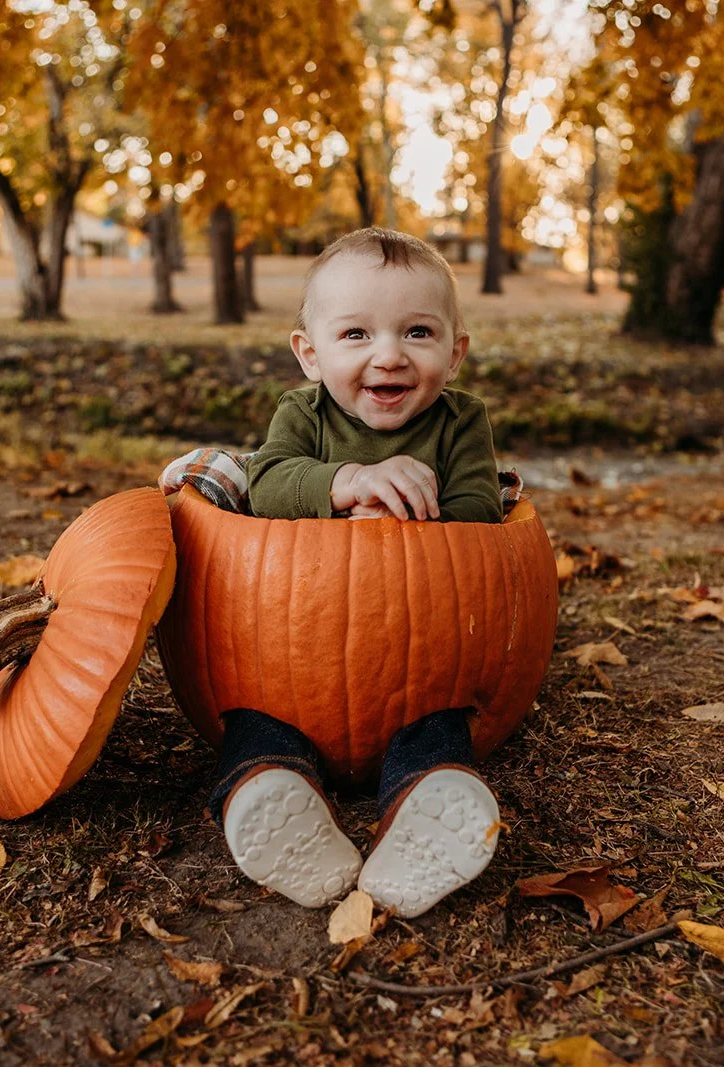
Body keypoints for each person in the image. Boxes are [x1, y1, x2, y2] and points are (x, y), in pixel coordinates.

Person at [208, 228, 505, 919]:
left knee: (436, 724)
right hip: (293, 655)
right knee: (258, 721)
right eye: (356, 335)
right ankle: (271, 795)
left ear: (454, 353)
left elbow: (481, 515)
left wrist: (410, 515)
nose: (390, 354)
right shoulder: (301, 415)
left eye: (418, 331)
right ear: (309, 354)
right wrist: (349, 481)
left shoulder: (462, 424)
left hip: (421, 649)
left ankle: (426, 808)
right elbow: (267, 484)